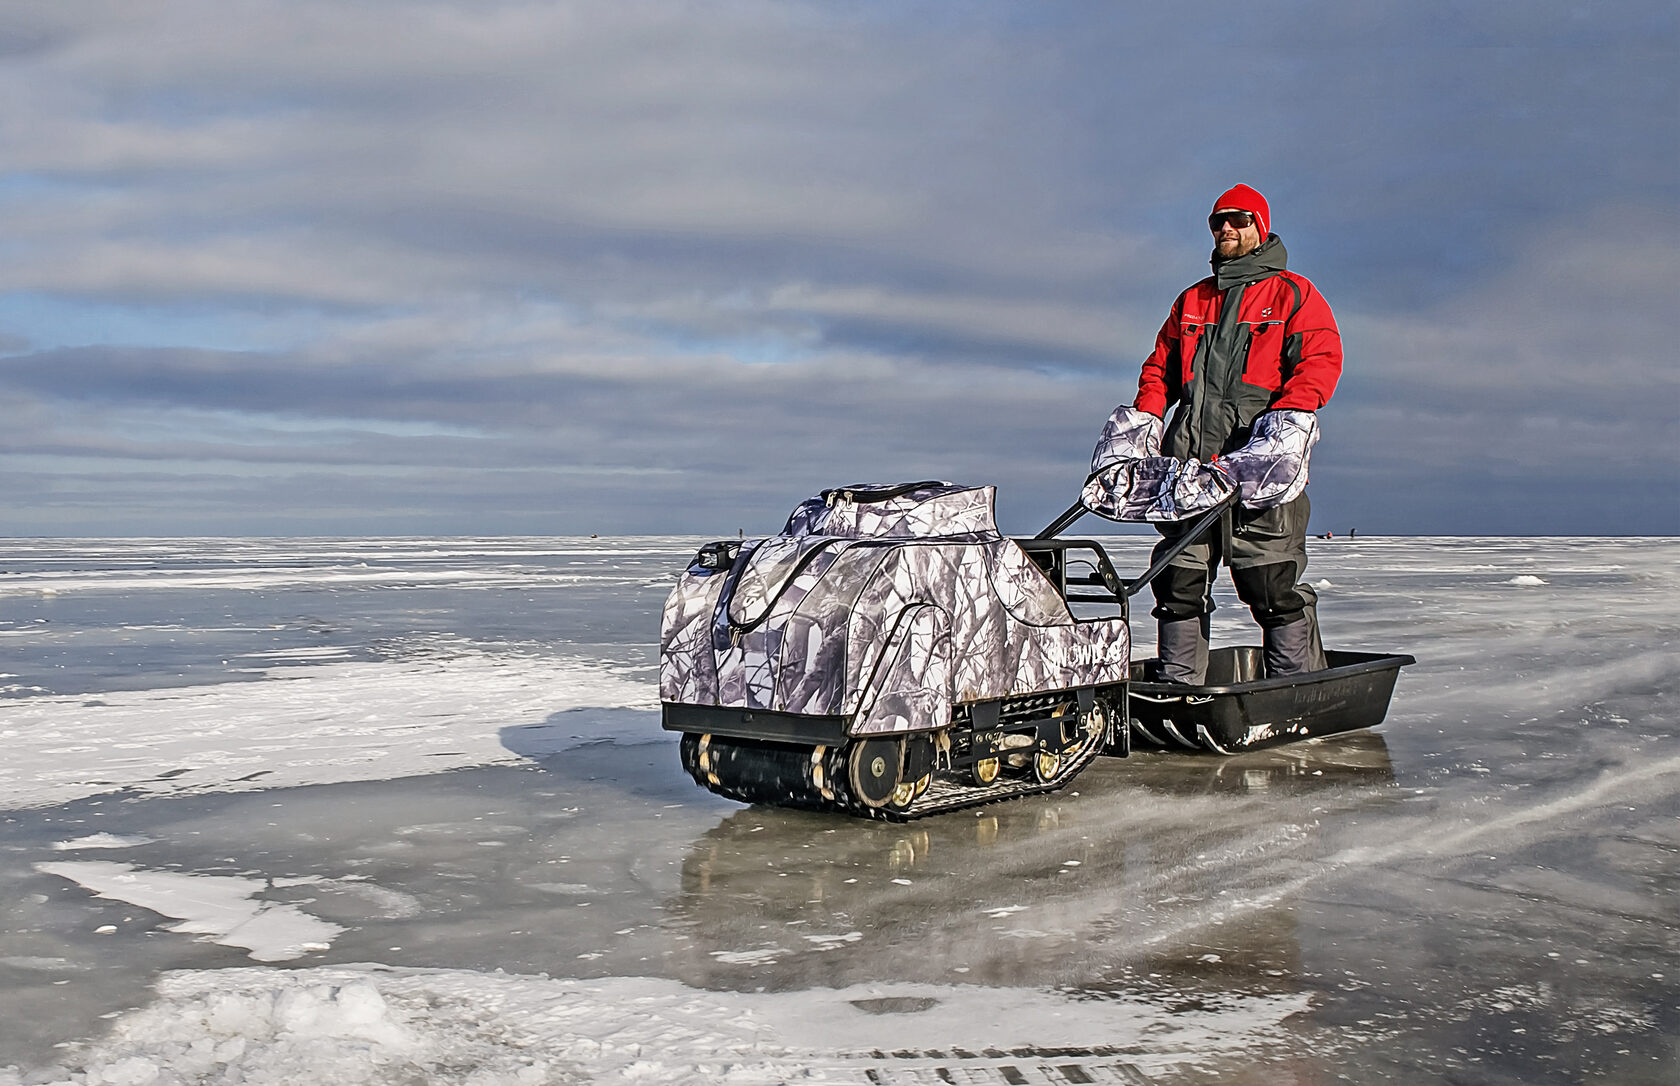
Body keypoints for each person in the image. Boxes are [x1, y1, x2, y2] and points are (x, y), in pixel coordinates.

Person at [1131, 184, 1343, 683]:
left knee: (1270, 581)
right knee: (1178, 579)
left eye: (1238, 220)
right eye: (1217, 222)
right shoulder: (1192, 300)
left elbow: (1319, 360)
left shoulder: (1293, 294)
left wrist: (1289, 421)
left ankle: (1292, 688)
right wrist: (1144, 419)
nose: (1226, 228)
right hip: (1190, 468)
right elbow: (1159, 368)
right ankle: (1179, 685)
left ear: (1260, 227)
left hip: (1259, 466)